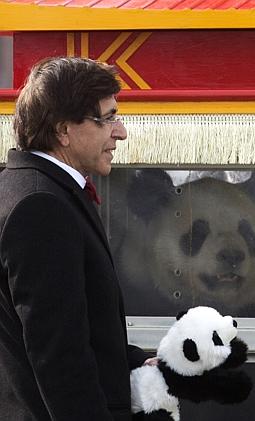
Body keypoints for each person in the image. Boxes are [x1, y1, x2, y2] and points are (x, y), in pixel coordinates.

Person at [0, 57, 154, 421]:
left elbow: (69, 328)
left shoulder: (25, 186)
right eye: (107, 118)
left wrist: (134, 360)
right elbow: (58, 354)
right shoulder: (41, 205)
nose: (121, 131)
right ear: (62, 130)